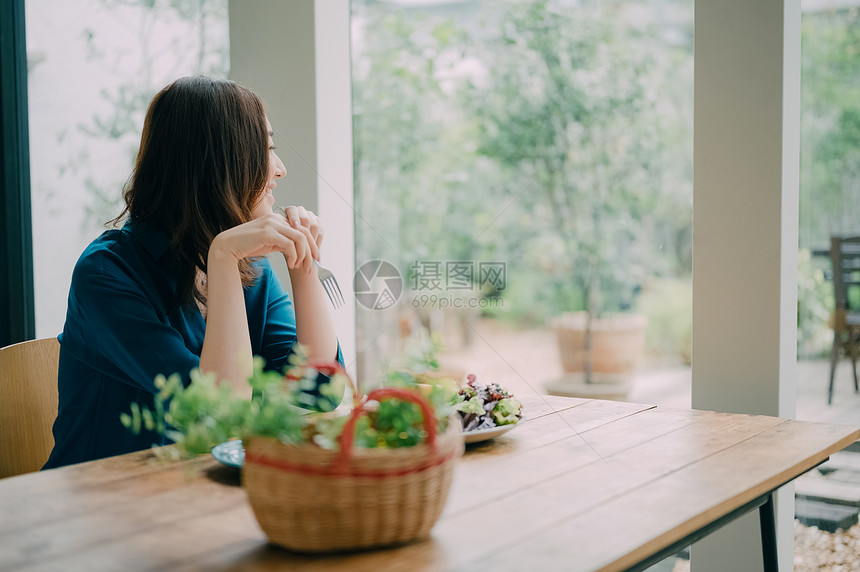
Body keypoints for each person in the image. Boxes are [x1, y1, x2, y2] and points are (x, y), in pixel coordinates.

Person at [43, 76, 342, 469]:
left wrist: (303, 265)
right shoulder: (107, 272)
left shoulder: (249, 266)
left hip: (196, 490)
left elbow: (319, 390)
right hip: (99, 504)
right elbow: (218, 415)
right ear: (216, 163)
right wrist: (222, 256)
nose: (281, 169)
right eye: (266, 148)